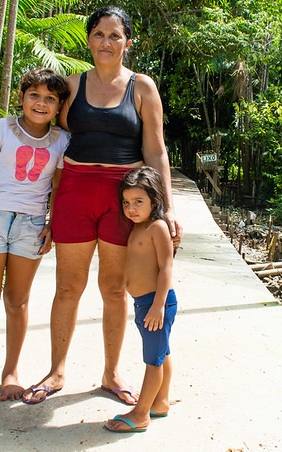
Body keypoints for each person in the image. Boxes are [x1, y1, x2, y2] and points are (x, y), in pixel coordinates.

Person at [22, 6, 182, 405]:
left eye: (114, 35)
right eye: (98, 34)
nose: (106, 42)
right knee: (67, 287)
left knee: (114, 288)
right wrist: (42, 206)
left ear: (128, 42)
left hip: (123, 199)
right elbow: (50, 141)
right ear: (89, 39)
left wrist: (168, 208)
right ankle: (57, 371)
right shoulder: (72, 86)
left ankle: (111, 373)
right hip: (76, 193)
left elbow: (155, 150)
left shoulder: (142, 88)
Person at [0, 68, 71, 411]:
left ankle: (11, 373)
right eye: (34, 95)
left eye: (50, 99)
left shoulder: (62, 141)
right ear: (21, 98)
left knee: (18, 301)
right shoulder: (1, 129)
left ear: (58, 106)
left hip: (31, 225)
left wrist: (52, 222)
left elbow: (57, 188)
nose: (41, 103)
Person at [104, 166, 177, 433]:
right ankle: (161, 402)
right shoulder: (136, 228)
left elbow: (166, 267)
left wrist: (158, 305)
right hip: (144, 303)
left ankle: (141, 412)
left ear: (154, 201)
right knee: (162, 352)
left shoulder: (157, 227)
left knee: (153, 360)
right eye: (126, 202)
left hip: (156, 304)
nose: (131, 208)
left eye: (138, 202)